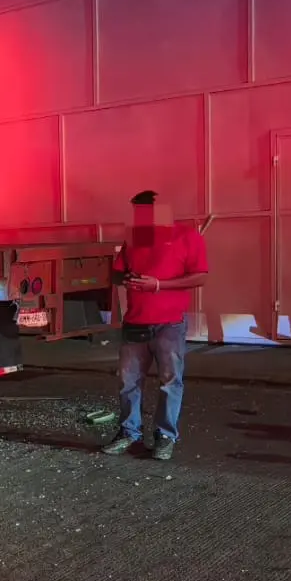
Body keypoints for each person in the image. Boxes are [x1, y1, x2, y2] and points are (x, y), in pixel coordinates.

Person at [102, 191, 209, 461]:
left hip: (169, 323)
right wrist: (125, 278)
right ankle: (129, 432)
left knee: (170, 382)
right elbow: (116, 273)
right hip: (135, 322)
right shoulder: (135, 238)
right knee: (128, 382)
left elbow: (200, 276)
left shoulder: (187, 236)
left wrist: (158, 285)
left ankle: (165, 436)